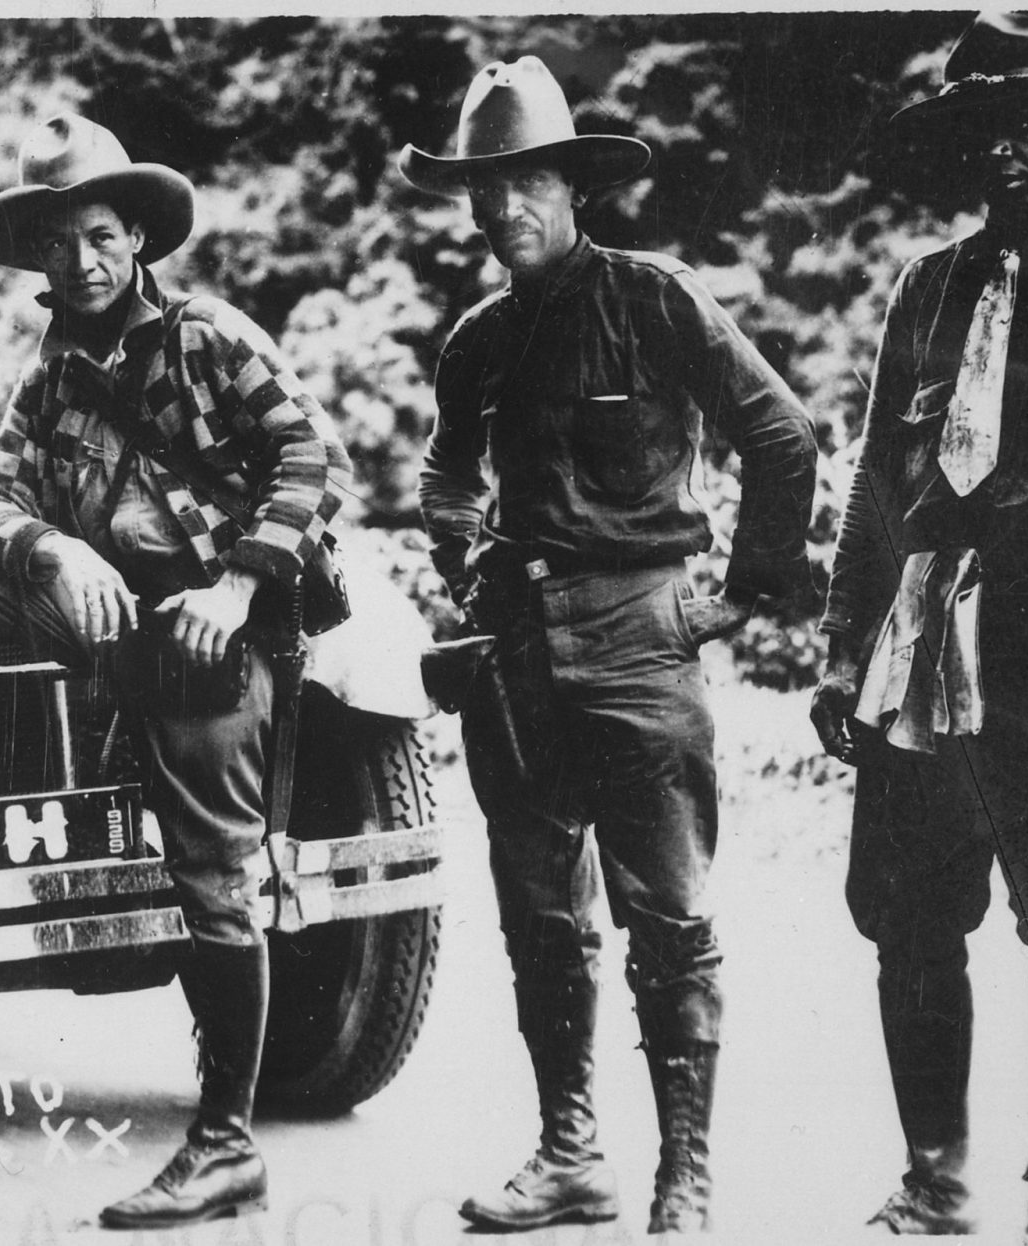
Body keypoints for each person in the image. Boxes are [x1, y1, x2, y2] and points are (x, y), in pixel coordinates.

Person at [0, 113, 377, 1228]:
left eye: (99, 234)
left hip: (209, 628)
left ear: (136, 239)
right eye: (58, 242)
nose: (79, 260)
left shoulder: (210, 337)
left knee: (212, 879)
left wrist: (233, 589)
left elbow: (309, 454)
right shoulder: (52, 369)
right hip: (97, 612)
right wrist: (53, 547)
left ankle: (225, 1144)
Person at [403, 57, 817, 1235]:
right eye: (482, 187)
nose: (499, 208)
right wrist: (454, 555)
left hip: (641, 637)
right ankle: (568, 1152)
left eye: (524, 179)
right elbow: (444, 472)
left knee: (668, 923)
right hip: (512, 650)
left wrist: (737, 597)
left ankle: (681, 1176)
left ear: (571, 186)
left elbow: (780, 438)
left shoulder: (655, 301)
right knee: (539, 915)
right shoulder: (477, 341)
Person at [809, 13, 1028, 1242]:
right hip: (923, 638)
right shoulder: (927, 287)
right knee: (912, 920)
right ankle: (934, 1183)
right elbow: (879, 479)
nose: (1002, 150)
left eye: (1025, 122)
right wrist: (839, 645)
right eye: (979, 129)